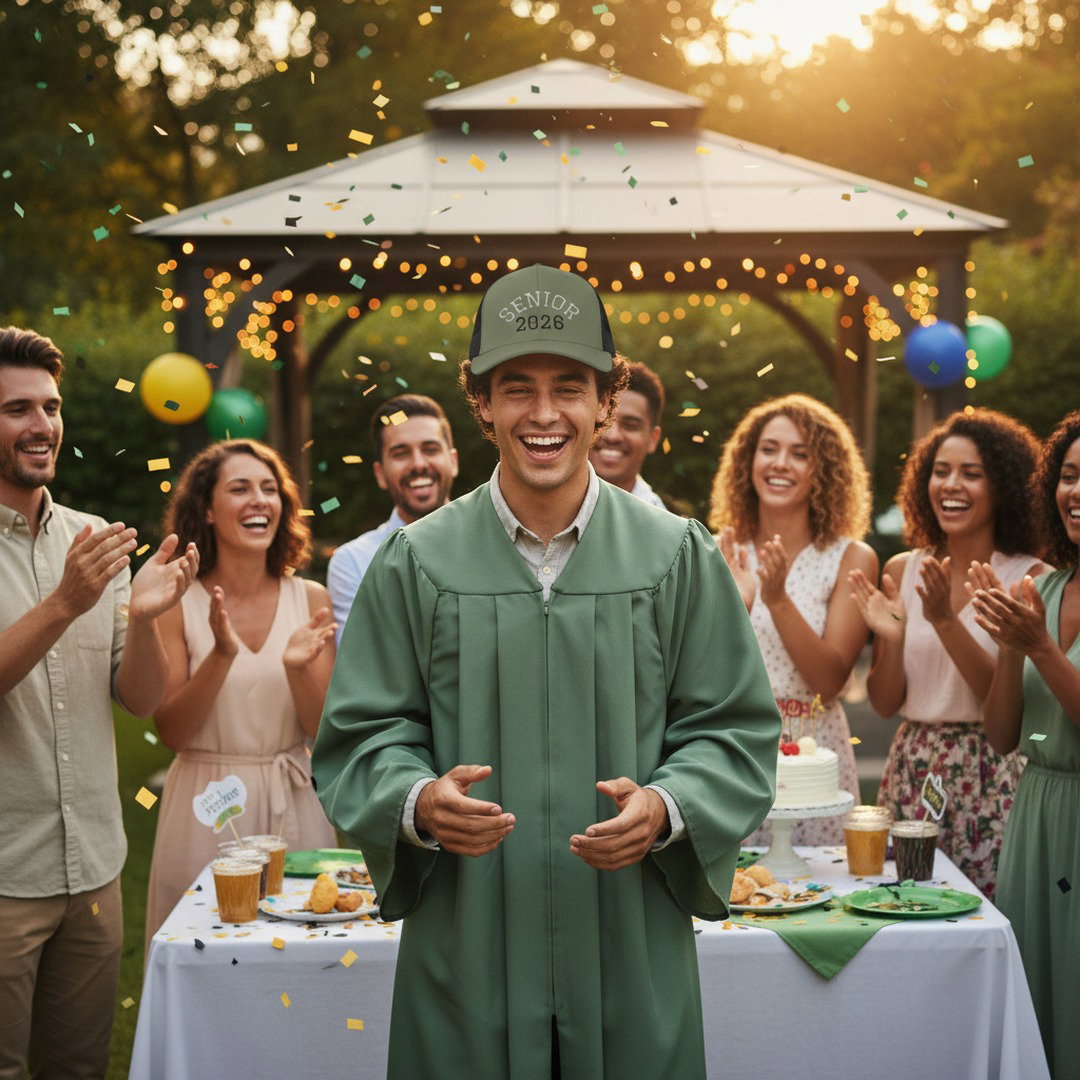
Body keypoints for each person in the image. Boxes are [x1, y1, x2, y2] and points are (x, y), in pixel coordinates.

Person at [312, 263, 780, 1080]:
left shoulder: (674, 555)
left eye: (570, 386)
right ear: (481, 404)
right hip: (467, 943)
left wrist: (669, 805)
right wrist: (417, 799)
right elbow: (362, 734)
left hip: (629, 938)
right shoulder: (416, 561)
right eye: (515, 387)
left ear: (606, 402)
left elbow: (731, 729)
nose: (543, 413)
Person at [0, 326, 198, 1078]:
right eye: (18, 409)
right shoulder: (82, 573)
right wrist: (63, 603)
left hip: (93, 871)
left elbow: (140, 700)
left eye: (50, 407)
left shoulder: (93, 540)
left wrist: (144, 618)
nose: (42, 425)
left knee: (79, 1068)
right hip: (3, 877)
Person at [144, 439, 337, 940]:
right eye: (240, 488)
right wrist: (221, 656)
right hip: (204, 808)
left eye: (270, 489)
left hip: (295, 800)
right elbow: (172, 731)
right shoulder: (176, 601)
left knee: (304, 954)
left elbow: (323, 731)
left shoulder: (310, 598)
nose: (260, 500)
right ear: (206, 510)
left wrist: (297, 669)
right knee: (203, 949)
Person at [850, 409, 1048, 897]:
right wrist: (893, 638)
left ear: (1003, 487)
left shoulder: (1029, 578)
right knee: (904, 905)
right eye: (941, 471)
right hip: (914, 761)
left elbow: (1004, 709)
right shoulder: (904, 568)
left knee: (984, 911)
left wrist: (944, 620)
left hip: (990, 769)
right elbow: (884, 703)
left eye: (971, 473)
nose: (951, 485)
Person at [709, 393, 878, 844]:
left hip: (815, 748)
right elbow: (698, 675)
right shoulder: (716, 550)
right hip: (735, 746)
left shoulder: (851, 557)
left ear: (824, 470)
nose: (780, 463)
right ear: (748, 461)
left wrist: (777, 599)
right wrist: (739, 609)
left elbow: (829, 681)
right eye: (769, 449)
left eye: (800, 454)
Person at [973, 410, 1080, 1080]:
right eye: (1069, 475)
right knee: (1034, 995)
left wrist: (1040, 645)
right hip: (1035, 818)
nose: (1077, 491)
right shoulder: (1041, 589)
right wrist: (1012, 649)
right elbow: (1001, 735)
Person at [327, 393, 458, 640]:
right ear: (380, 474)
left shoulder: (494, 543)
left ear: (453, 461)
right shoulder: (354, 562)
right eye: (401, 453)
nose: (418, 464)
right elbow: (359, 657)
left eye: (430, 450)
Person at [588, 359, 665, 507]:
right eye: (605, 419)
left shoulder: (660, 519)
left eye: (630, 426)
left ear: (653, 439)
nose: (612, 436)